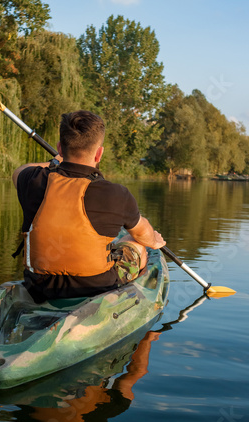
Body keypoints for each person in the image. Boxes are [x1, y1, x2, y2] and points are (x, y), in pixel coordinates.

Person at [12, 110, 166, 302]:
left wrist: (56, 162)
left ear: (60, 148)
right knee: (136, 243)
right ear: (99, 153)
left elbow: (19, 171)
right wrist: (154, 241)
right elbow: (143, 232)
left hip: (39, 286)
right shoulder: (117, 193)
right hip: (96, 287)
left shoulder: (33, 180)